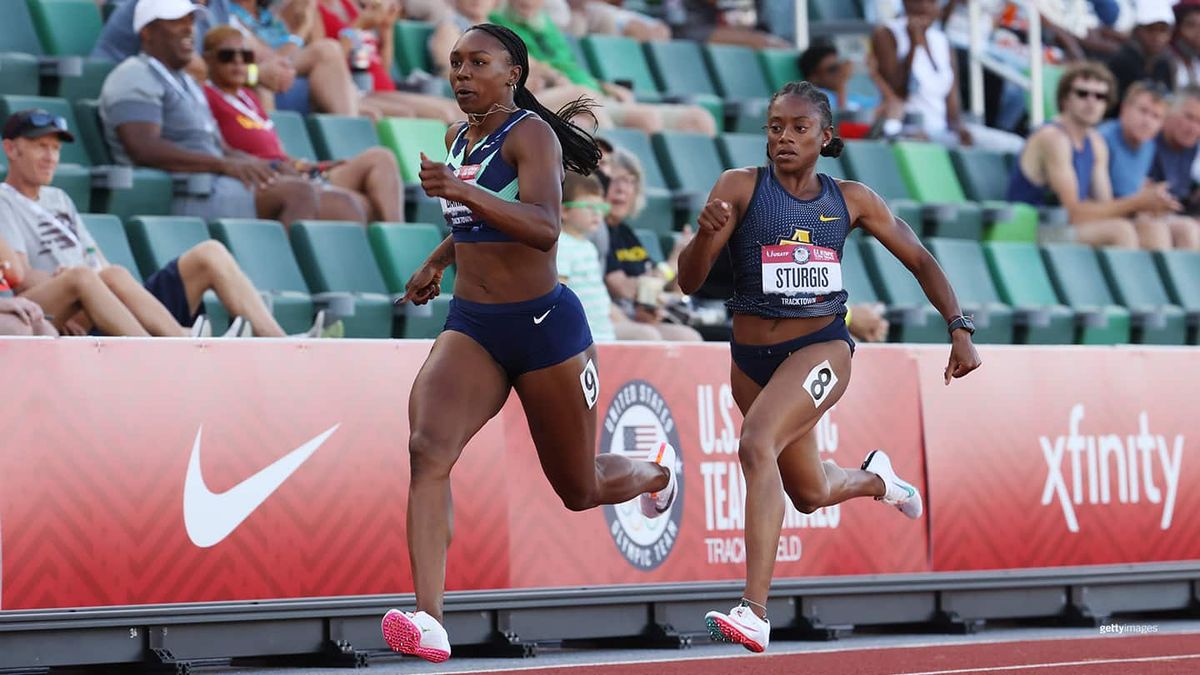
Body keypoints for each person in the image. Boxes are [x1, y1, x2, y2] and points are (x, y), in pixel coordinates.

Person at [379, 24, 677, 663]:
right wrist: (438, 259)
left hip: (546, 330)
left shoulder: (530, 135)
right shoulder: (459, 136)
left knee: (579, 489)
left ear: (512, 73)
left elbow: (543, 228)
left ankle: (657, 472)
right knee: (427, 449)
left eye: (477, 63)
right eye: (455, 63)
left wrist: (461, 190)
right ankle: (430, 618)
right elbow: (475, 223)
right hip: (474, 328)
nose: (460, 73)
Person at [676, 81, 981, 653]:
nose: (784, 138)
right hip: (750, 359)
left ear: (826, 137)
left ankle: (754, 610)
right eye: (774, 127)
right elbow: (688, 282)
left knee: (755, 442)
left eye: (798, 128)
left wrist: (958, 326)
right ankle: (878, 480)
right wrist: (707, 235)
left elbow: (918, 257)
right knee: (810, 492)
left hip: (822, 348)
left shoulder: (852, 199)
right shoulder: (738, 187)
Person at [1, 109, 287, 337]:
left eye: (55, 149)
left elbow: (95, 258)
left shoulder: (59, 197)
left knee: (206, 253)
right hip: (55, 303)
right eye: (41, 147)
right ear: (11, 150)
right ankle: (170, 344)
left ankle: (280, 342)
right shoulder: (4, 199)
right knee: (87, 277)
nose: (51, 157)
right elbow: (21, 276)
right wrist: (65, 284)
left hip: (99, 299)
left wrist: (99, 292)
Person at [99, 1, 322, 226]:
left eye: (191, 21)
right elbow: (144, 148)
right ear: (147, 32)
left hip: (213, 182)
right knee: (299, 195)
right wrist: (223, 165)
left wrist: (268, 166)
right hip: (184, 191)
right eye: (176, 22)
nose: (189, 28)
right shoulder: (134, 74)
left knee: (339, 202)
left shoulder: (188, 82)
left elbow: (221, 148)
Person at [201, 25, 404, 223]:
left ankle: (400, 237)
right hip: (267, 181)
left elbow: (275, 151)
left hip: (296, 172)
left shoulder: (248, 97)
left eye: (245, 56)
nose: (238, 62)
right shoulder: (206, 95)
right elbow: (224, 150)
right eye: (227, 56)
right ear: (209, 59)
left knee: (381, 158)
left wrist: (308, 165)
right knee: (357, 205)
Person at [1007, 61, 1182, 249]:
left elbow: (1106, 206)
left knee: (1151, 227)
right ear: (1065, 98)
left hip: (1061, 227)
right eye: (1083, 94)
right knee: (1120, 231)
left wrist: (1147, 206)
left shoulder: (1096, 142)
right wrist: (1137, 202)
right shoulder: (1053, 138)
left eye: (1100, 97)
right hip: (1030, 230)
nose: (1092, 101)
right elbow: (1072, 213)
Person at [870, 0, 1023, 152]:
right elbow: (898, 91)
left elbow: (953, 107)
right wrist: (912, 45)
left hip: (942, 132)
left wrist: (960, 129)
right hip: (907, 129)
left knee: (1016, 145)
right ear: (904, 3)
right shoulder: (887, 33)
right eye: (917, 2)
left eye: (931, 3)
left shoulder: (941, 40)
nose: (924, 7)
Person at [602, 148, 703, 341]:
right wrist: (671, 265)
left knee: (690, 338)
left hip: (644, 316)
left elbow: (667, 289)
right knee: (653, 337)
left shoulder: (626, 232)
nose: (622, 189)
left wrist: (685, 259)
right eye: (614, 180)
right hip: (615, 317)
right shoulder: (600, 231)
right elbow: (624, 288)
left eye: (630, 181)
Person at [557, 172, 617, 341]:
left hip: (603, 330)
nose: (597, 213)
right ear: (565, 211)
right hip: (582, 335)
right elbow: (561, 293)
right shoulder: (561, 245)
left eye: (600, 207)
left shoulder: (589, 247)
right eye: (590, 207)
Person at [1098, 81, 1168, 199]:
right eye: (1143, 110)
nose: (1147, 122)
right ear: (1124, 109)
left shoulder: (1149, 145)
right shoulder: (1102, 139)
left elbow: (1132, 190)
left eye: (1156, 116)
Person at [1107, 0, 1176, 105]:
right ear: (1138, 31)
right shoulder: (1122, 60)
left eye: (1163, 30)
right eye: (1150, 29)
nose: (1157, 37)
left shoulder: (1166, 63)